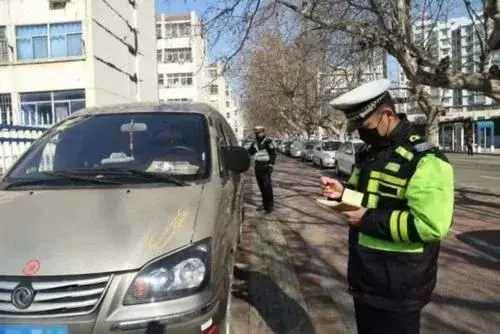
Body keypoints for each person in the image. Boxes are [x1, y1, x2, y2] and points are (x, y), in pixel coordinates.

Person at [322, 79, 454, 334]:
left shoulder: (425, 160)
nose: (361, 132)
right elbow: (370, 200)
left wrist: (367, 220)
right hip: (365, 280)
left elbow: (431, 225)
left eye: (365, 125)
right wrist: (342, 195)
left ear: (387, 114)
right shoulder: (370, 154)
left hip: (400, 288)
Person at [246, 126, 276, 213]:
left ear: (263, 132)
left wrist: (271, 165)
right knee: (261, 187)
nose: (257, 134)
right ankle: (264, 204)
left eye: (259, 132)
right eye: (256, 133)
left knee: (267, 187)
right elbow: (250, 152)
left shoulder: (268, 141)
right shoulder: (255, 142)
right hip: (258, 166)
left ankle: (269, 206)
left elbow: (273, 154)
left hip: (266, 166)